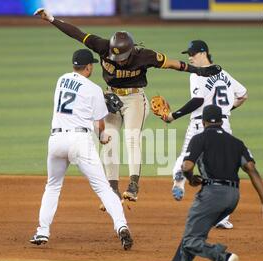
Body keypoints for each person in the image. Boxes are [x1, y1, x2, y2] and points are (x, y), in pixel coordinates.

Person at [34, 8, 222, 204]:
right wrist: (52, 19)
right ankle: (112, 189)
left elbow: (175, 64)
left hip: (134, 99)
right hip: (111, 97)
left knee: (132, 138)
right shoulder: (103, 46)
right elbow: (77, 34)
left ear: (130, 50)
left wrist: (200, 71)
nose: (119, 60)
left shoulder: (145, 56)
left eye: (122, 56)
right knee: (109, 140)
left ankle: (133, 185)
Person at [29, 49, 133, 250]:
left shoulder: (61, 80)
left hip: (56, 140)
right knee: (103, 187)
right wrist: (102, 137)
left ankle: (42, 231)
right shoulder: (93, 89)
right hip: (79, 141)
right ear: (89, 67)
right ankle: (121, 227)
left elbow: (77, 102)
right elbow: (100, 123)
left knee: (52, 187)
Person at [163, 105, 263, 261]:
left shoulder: (199, 138)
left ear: (203, 121)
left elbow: (187, 166)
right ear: (222, 121)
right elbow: (251, 169)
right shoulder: (236, 142)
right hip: (233, 196)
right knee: (194, 233)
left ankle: (223, 258)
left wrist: (191, 180)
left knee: (191, 239)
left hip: (212, 194)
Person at [162, 40, 248, 229]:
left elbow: (197, 100)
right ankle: (222, 218)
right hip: (224, 124)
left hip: (200, 124)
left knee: (187, 154)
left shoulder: (196, 74)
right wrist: (226, 109)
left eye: (192, 54)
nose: (190, 58)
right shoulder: (223, 73)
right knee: (220, 167)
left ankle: (179, 180)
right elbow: (243, 95)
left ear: (203, 53)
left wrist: (173, 116)